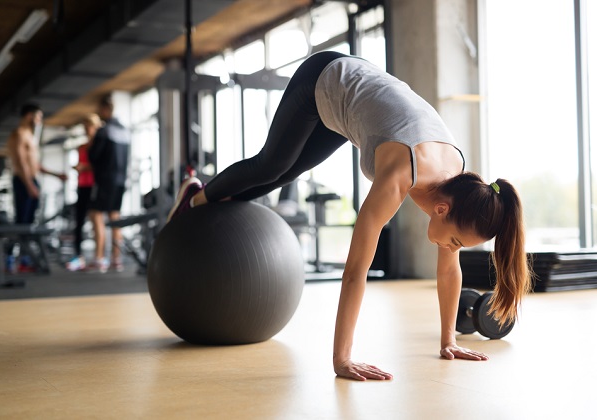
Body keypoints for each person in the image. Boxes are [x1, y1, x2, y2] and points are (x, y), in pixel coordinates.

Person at [168, 51, 533, 381]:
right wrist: (342, 360)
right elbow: (356, 271)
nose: (449, 247)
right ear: (443, 209)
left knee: (287, 172)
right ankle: (195, 198)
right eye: (454, 240)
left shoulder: (459, 188)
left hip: (352, 103)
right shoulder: (401, 175)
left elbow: (448, 268)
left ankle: (211, 196)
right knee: (272, 165)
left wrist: (448, 340)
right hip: (325, 78)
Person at [6, 103, 67, 272]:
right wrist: (29, 184)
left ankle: (24, 260)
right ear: (29, 116)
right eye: (38, 117)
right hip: (23, 181)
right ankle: (10, 259)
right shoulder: (19, 134)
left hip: (31, 180)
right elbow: (21, 162)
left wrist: (56, 174)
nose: (40, 121)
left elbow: (35, 164)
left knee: (29, 224)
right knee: (22, 223)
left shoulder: (29, 136)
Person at [87, 94, 130, 273]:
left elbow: (93, 156)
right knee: (114, 216)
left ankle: (99, 259)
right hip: (120, 180)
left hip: (105, 180)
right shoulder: (125, 131)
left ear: (105, 109)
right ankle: (116, 259)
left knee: (97, 215)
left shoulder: (104, 131)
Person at [66, 113, 102, 272]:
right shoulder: (82, 146)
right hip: (82, 186)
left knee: (96, 222)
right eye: (85, 126)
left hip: (94, 186)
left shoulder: (100, 145)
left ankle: (99, 258)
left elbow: (101, 166)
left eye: (90, 125)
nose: (87, 129)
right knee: (78, 222)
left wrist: (84, 167)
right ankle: (78, 256)